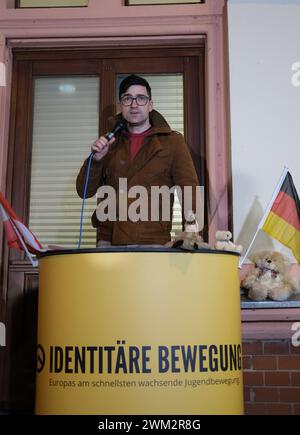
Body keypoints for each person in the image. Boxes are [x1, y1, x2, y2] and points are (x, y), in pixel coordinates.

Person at [76, 74, 200, 246]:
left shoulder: (172, 142)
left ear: (150, 104)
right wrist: (96, 160)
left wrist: (191, 235)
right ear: (121, 105)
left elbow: (189, 190)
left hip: (152, 241)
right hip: (108, 241)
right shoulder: (109, 142)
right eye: (128, 98)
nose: (134, 104)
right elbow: (84, 191)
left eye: (141, 98)